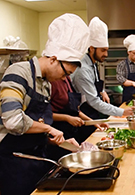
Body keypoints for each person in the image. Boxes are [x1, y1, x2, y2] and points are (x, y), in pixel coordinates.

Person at [0, 13, 90, 195]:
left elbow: (37, 124)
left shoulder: (46, 83)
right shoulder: (18, 72)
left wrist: (60, 143)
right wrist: (49, 129)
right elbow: (12, 120)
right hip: (13, 161)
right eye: (66, 73)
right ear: (53, 59)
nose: (64, 79)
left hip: (34, 158)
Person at [71, 17, 133, 120]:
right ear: (91, 49)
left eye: (107, 50)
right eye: (103, 50)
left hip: (93, 112)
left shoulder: (93, 64)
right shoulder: (83, 69)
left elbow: (95, 81)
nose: (106, 54)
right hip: (84, 117)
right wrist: (121, 112)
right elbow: (93, 101)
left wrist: (102, 91)